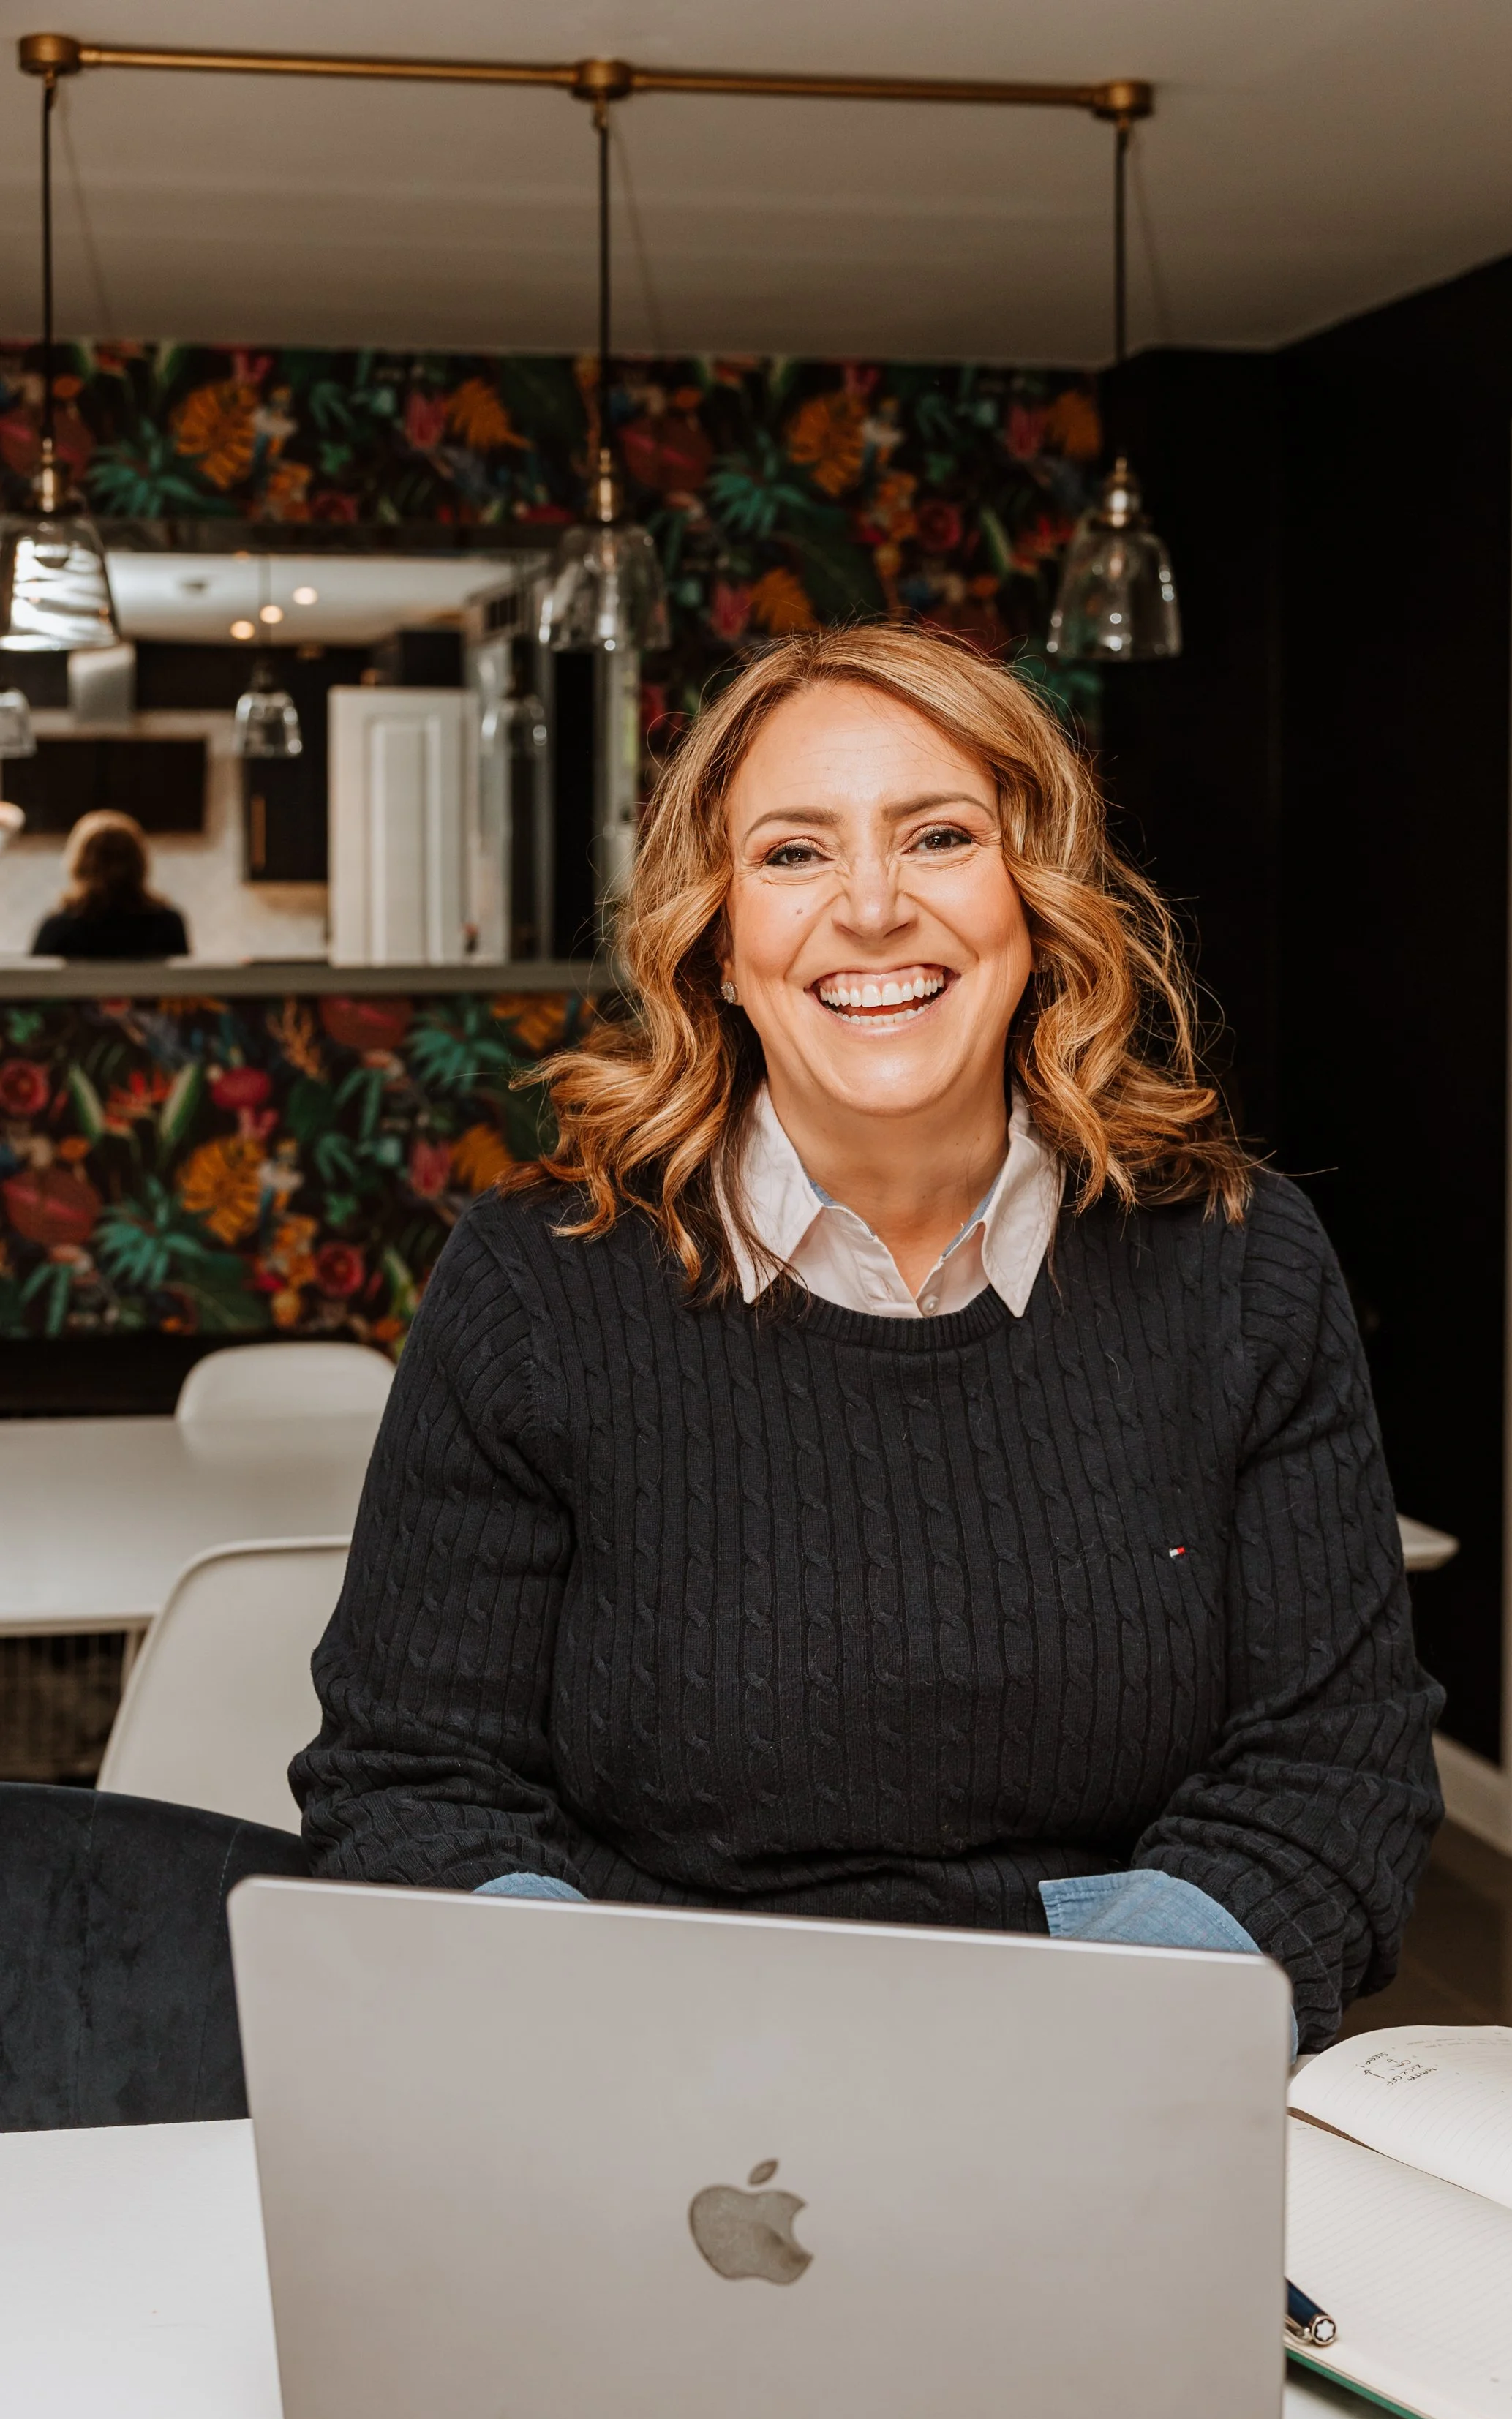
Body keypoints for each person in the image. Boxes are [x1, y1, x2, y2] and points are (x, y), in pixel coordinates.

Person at [293, 625, 1443, 2050]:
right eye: (791, 853)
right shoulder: (535, 1286)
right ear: (714, 937)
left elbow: (1333, 1769)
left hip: (1113, 2065)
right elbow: (407, 1785)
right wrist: (633, 2048)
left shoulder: (1240, 1258)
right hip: (652, 2082)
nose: (873, 906)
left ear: (1037, 905)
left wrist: (1056, 2039)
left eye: (940, 837)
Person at [30, 811, 189, 960]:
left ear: (79, 864)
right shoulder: (168, 925)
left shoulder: (58, 928)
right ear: (140, 863)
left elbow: (32, 985)